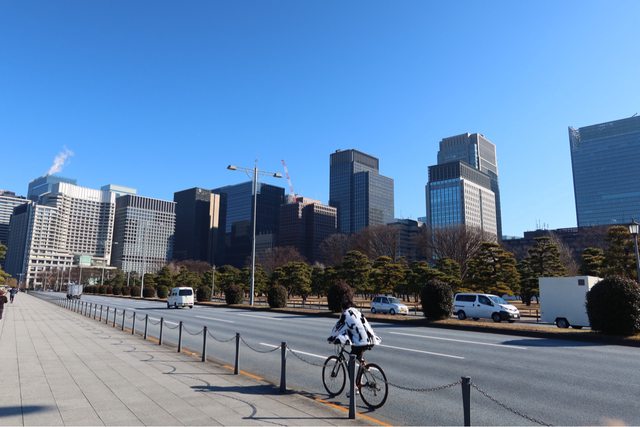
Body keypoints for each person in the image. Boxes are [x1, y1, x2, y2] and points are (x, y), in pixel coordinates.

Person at [328, 293, 381, 362]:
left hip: (361, 342)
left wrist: (331, 338)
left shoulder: (345, 315)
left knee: (352, 359)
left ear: (342, 307)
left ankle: (353, 369)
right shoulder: (357, 312)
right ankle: (364, 366)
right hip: (371, 339)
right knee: (357, 353)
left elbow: (337, 329)